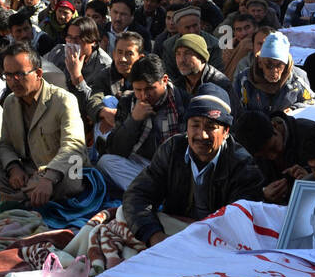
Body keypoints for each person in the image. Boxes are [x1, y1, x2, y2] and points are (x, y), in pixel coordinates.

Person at [123, 84, 264, 245]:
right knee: (124, 216)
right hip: (173, 232)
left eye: (211, 127)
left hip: (215, 239)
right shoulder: (172, 149)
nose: (201, 135)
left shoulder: (243, 166)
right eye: (195, 125)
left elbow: (237, 224)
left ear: (225, 132)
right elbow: (138, 195)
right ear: (187, 128)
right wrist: (156, 237)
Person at [0, 44, 88, 206]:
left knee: (38, 188)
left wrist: (48, 178)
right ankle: (18, 197)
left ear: (38, 74)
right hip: (28, 171)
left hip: (65, 171)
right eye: (8, 75)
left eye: (19, 74)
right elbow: (4, 144)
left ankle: (16, 198)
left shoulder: (63, 100)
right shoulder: (10, 102)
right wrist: (13, 167)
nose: (12, 81)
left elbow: (74, 146)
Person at [96, 56, 186, 196]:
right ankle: (150, 194)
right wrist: (134, 120)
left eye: (150, 89)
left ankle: (146, 194)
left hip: (175, 169)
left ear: (165, 80)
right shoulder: (128, 102)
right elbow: (116, 150)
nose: (144, 96)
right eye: (138, 90)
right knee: (106, 162)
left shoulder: (183, 102)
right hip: (143, 166)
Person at [231, 109, 315, 204]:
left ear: (275, 126)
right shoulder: (248, 158)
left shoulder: (311, 134)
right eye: (263, 155)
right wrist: (263, 195)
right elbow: (246, 191)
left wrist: (312, 177)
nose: (272, 157)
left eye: (273, 147)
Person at [232, 30, 315, 116]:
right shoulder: (244, 79)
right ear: (260, 63)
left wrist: (293, 109)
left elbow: (311, 102)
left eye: (279, 66)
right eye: (269, 65)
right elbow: (235, 107)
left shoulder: (298, 77)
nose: (274, 71)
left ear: (285, 64)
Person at [172, 32, 234, 103]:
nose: (181, 60)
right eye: (178, 54)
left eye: (188, 53)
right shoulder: (178, 85)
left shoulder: (220, 84)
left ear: (201, 58)